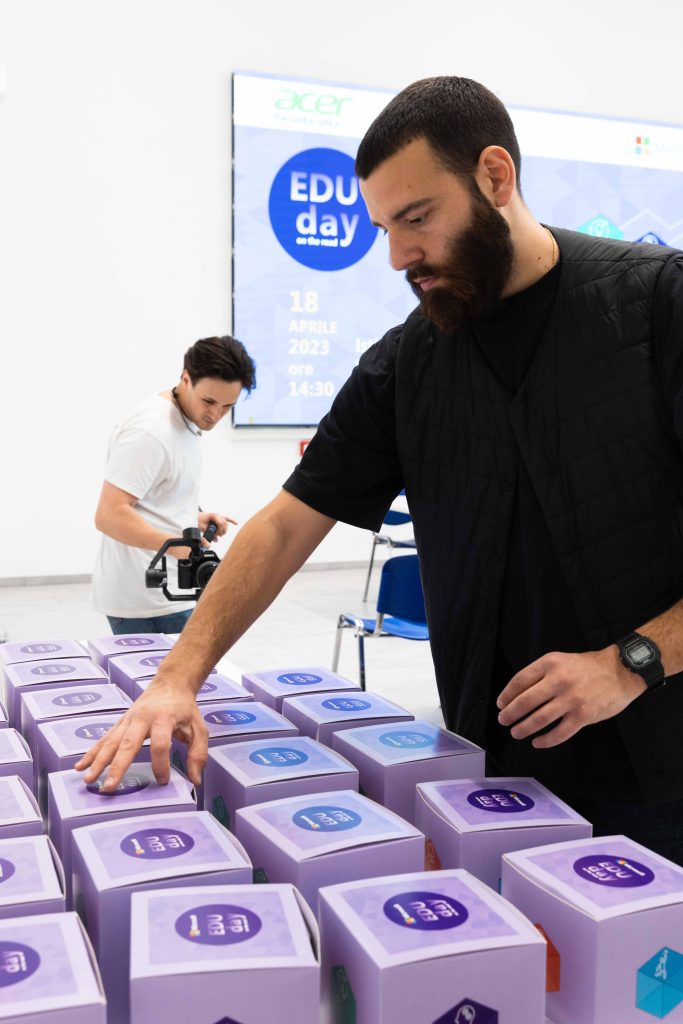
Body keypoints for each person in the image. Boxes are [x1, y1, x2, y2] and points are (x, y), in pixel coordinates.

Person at [78, 78, 683, 865]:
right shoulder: (410, 362)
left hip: (661, 767)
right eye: (382, 228)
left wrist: (629, 662)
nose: (397, 256)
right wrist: (177, 677)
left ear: (494, 176)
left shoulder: (655, 308)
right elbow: (287, 523)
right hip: (491, 770)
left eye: (417, 218)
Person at [92, 335, 256, 635]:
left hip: (169, 593)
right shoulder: (150, 431)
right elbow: (109, 515)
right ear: (186, 379)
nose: (215, 415)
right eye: (209, 401)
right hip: (146, 601)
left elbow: (153, 500)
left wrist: (192, 518)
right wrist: (180, 547)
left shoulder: (185, 421)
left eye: (227, 406)